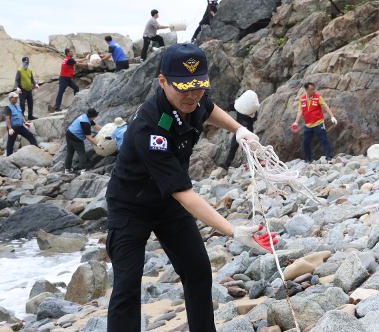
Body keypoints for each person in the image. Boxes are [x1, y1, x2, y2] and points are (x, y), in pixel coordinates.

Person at [105, 43, 276, 332]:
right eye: (183, 88)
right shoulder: (150, 129)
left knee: (197, 270)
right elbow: (185, 195)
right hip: (131, 206)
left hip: (167, 205)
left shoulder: (193, 100)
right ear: (162, 82)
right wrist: (232, 230)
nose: (192, 95)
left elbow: (208, 109)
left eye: (198, 86)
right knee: (127, 285)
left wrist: (239, 130)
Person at [290, 82, 337, 162]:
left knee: (324, 140)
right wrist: (296, 122)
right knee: (306, 142)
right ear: (306, 90)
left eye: (314, 89)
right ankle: (308, 159)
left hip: (319, 123)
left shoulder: (318, 97)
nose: (313, 91)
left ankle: (328, 157)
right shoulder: (302, 99)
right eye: (311, 89)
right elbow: (300, 111)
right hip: (308, 125)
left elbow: (325, 106)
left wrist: (332, 116)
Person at [222, 90, 259, 168]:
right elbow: (255, 118)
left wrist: (226, 109)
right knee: (250, 147)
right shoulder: (252, 110)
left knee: (234, 147)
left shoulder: (239, 105)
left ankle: (227, 165)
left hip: (240, 129)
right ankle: (255, 163)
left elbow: (230, 107)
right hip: (248, 129)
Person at [65, 108, 102, 173]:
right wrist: (98, 144)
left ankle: (67, 169)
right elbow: (89, 137)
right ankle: (83, 170)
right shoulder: (86, 123)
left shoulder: (86, 117)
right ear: (93, 116)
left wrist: (106, 129)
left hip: (69, 133)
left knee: (70, 152)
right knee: (81, 153)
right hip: (76, 137)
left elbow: (96, 126)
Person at [4, 92, 38, 156]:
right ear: (10, 98)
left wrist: (25, 122)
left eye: (17, 97)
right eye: (15, 98)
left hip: (20, 126)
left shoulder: (17, 106)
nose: (17, 99)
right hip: (13, 128)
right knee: (10, 143)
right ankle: (8, 156)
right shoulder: (8, 107)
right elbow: (7, 119)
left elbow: (21, 114)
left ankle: (36, 148)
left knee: (30, 136)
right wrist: (10, 128)